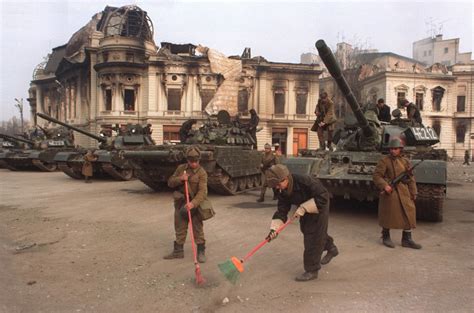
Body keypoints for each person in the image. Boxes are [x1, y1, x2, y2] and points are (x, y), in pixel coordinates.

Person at [265, 164, 339, 281]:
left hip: (319, 205)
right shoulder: (282, 189)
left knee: (312, 237)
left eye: (279, 184)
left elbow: (323, 196)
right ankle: (331, 248)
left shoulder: (305, 181)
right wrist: (274, 229)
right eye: (275, 186)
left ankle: (312, 270)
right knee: (308, 230)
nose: (278, 188)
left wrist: (304, 208)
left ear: (286, 178)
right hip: (304, 208)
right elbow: (282, 210)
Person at [372, 138, 421, 249]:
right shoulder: (384, 161)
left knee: (409, 212)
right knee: (388, 213)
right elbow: (376, 176)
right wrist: (385, 185)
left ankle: (407, 239)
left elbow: (411, 177)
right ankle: (385, 236)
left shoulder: (405, 161)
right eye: (391, 149)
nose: (393, 151)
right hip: (391, 190)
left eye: (395, 149)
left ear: (400, 149)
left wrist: (414, 191)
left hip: (404, 190)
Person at [164, 147, 209, 263]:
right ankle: (178, 251)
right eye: (191, 161)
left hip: (194, 204)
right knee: (180, 227)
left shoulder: (202, 173)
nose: (194, 164)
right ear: (187, 160)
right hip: (180, 203)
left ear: (199, 160)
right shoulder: (181, 169)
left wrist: (193, 204)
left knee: (197, 229)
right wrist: (180, 179)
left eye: (196, 161)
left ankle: (201, 251)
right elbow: (170, 182)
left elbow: (203, 192)